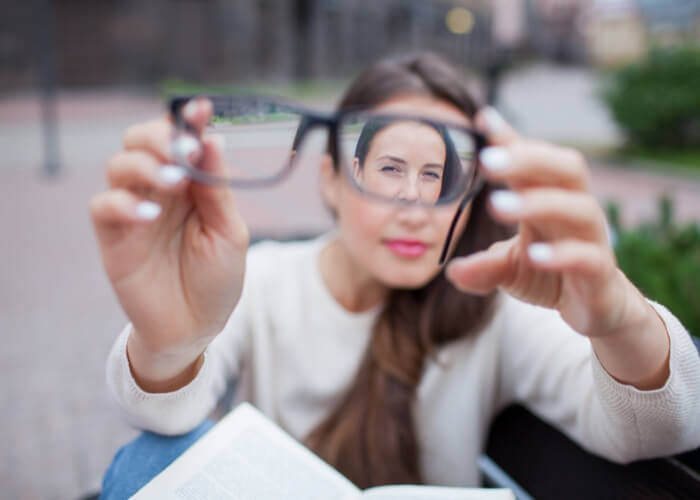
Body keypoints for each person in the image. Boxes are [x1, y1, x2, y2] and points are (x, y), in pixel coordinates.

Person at [91, 52, 700, 499]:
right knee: (149, 462)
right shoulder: (264, 281)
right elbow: (165, 418)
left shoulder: (491, 300)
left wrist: (620, 317)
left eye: (436, 176)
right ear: (331, 177)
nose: (413, 204)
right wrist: (172, 342)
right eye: (388, 168)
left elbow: (665, 427)